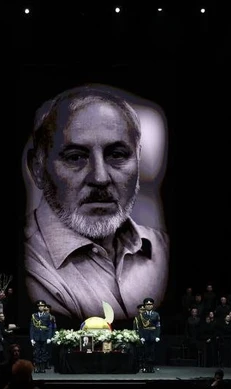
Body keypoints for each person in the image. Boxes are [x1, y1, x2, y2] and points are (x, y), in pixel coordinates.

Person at [23, 85, 169, 322]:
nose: (100, 178)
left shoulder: (162, 249)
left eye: (117, 155)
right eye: (76, 157)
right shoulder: (29, 267)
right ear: (38, 169)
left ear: (138, 160)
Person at [29, 300, 54, 373]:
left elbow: (50, 327)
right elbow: (32, 327)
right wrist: (31, 338)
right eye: (39, 306)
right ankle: (37, 367)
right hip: (36, 336)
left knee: (43, 352)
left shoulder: (48, 315)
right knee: (36, 352)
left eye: (42, 306)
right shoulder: (34, 315)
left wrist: (49, 337)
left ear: (44, 307)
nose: (40, 307)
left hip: (44, 336)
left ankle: (42, 367)